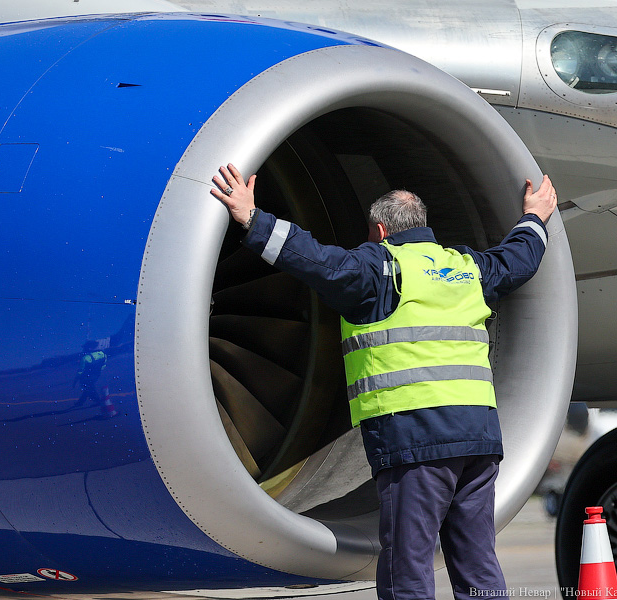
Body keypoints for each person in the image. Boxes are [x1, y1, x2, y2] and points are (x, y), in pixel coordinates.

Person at [211, 163, 557, 600]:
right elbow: (518, 259)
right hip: (479, 441)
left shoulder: (380, 268)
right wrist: (535, 217)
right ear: (423, 225)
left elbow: (314, 258)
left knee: (407, 566)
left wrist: (251, 218)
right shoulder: (468, 268)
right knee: (477, 563)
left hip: (417, 440)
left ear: (379, 230)